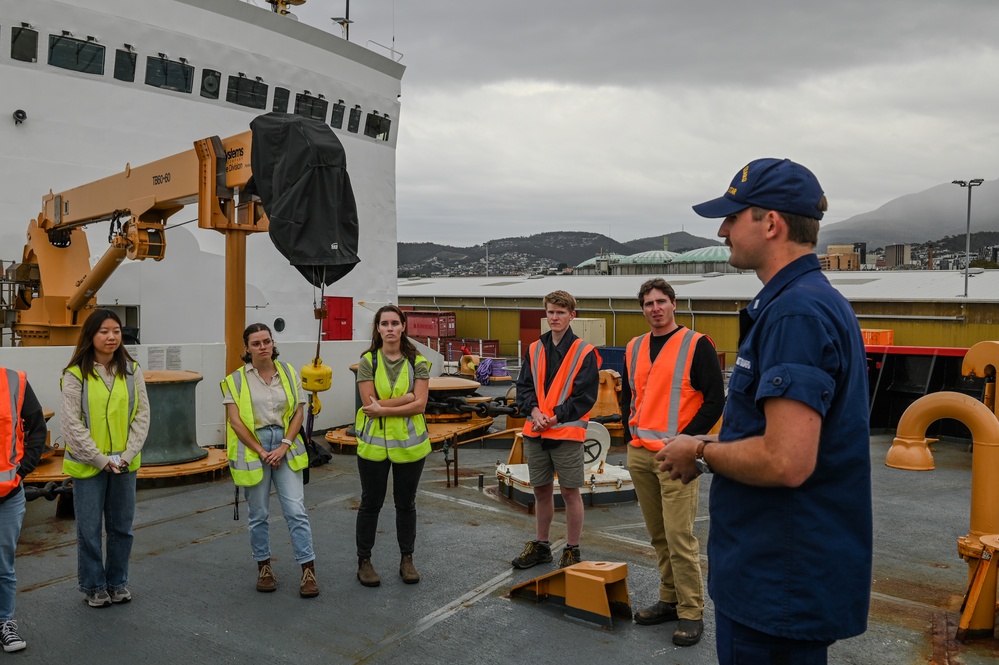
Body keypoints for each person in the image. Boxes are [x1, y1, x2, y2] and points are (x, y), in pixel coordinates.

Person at [657, 158, 873, 663]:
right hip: (780, 573)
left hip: (776, 578)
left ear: (771, 223)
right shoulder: (810, 301)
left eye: (734, 217)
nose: (723, 230)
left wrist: (700, 449)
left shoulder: (795, 312)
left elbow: (785, 460)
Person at [619, 278, 724, 647]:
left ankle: (691, 612)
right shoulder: (633, 347)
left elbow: (715, 400)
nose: (655, 309)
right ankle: (668, 599)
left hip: (676, 455)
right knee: (659, 535)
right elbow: (629, 396)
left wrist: (687, 441)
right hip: (640, 453)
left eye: (661, 301)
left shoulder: (696, 345)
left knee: (680, 537)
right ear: (643, 308)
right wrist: (628, 433)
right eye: (648, 303)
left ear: (674, 304)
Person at [61, 309, 150, 608]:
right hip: (89, 465)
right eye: (104, 331)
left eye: (116, 331)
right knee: (88, 530)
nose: (112, 337)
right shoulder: (75, 375)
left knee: (122, 527)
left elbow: (141, 414)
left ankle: (117, 582)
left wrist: (126, 455)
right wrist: (101, 459)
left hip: (124, 464)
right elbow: (72, 425)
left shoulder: (131, 370)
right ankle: (93, 586)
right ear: (91, 335)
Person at [222, 322, 318, 598]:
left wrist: (285, 444)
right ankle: (264, 568)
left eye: (267, 341)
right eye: (256, 343)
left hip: (286, 445)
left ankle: (308, 570)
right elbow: (236, 423)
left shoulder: (288, 372)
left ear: (273, 343)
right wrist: (262, 451)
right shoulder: (235, 380)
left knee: (296, 510)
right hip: (254, 447)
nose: (263, 347)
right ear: (247, 348)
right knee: (259, 514)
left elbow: (299, 411)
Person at [512, 290, 599, 569]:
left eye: (560, 312)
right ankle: (542, 546)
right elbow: (524, 387)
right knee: (541, 491)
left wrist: (554, 418)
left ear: (572, 315)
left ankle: (572, 548)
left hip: (566, 434)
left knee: (571, 493)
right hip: (536, 431)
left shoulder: (585, 352)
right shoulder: (535, 348)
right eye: (550, 312)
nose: (554, 317)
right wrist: (535, 412)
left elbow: (584, 397)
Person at [354, 305, 431, 587]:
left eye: (394, 323)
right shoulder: (368, 361)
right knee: (370, 503)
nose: (389, 328)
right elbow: (367, 404)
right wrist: (406, 398)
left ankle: (407, 560)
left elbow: (420, 404)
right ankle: (364, 561)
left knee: (405, 504)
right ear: (377, 329)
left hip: (410, 447)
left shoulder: (418, 362)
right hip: (374, 448)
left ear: (403, 327)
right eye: (384, 323)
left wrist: (384, 409)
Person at [0, 369, 46, 652]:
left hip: (8, 494)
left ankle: (4, 622)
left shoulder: (13, 381)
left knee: (3, 565)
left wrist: (22, 470)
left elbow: (37, 426)